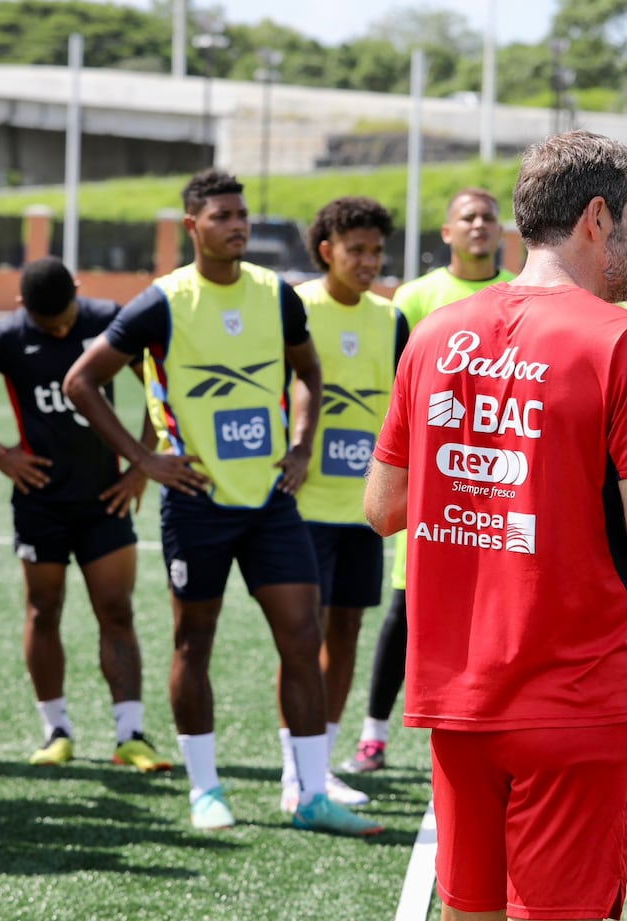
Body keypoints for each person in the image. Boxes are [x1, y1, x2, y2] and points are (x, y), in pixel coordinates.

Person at [365, 130, 627, 921]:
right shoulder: (622, 339)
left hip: (459, 697)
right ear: (598, 218)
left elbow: (384, 508)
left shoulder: (435, 333)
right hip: (575, 698)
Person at [64, 168, 382, 837]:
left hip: (269, 501)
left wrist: (300, 446)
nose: (237, 225)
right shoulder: (162, 301)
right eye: (222, 216)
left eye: (241, 215)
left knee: (302, 635)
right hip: (197, 501)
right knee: (194, 641)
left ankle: (310, 793)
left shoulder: (274, 295)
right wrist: (144, 459)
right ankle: (206, 788)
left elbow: (309, 370)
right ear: (193, 227)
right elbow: (81, 381)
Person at [0, 256, 170, 773]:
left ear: (80, 292)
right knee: (44, 610)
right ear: (24, 309)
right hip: (39, 501)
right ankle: (56, 730)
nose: (63, 329)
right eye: (50, 327)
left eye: (67, 318)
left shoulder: (109, 319)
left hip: (104, 498)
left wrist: (141, 461)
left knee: (117, 610)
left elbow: (160, 381)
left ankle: (130, 734)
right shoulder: (4, 338)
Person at [340, 187, 515, 775]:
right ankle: (374, 733)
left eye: (489, 217)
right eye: (468, 217)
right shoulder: (415, 299)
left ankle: (489, 727)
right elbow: (402, 387)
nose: (480, 226)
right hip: (432, 479)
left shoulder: (520, 295)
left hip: (495, 475)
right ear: (447, 232)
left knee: (495, 611)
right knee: (405, 609)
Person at [272, 195, 407, 813]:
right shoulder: (293, 307)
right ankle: (292, 770)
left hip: (363, 510)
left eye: (376, 251)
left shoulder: (391, 317)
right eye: (357, 250)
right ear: (326, 250)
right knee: (300, 640)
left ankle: (320, 766)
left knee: (346, 631)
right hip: (301, 508)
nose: (369, 261)